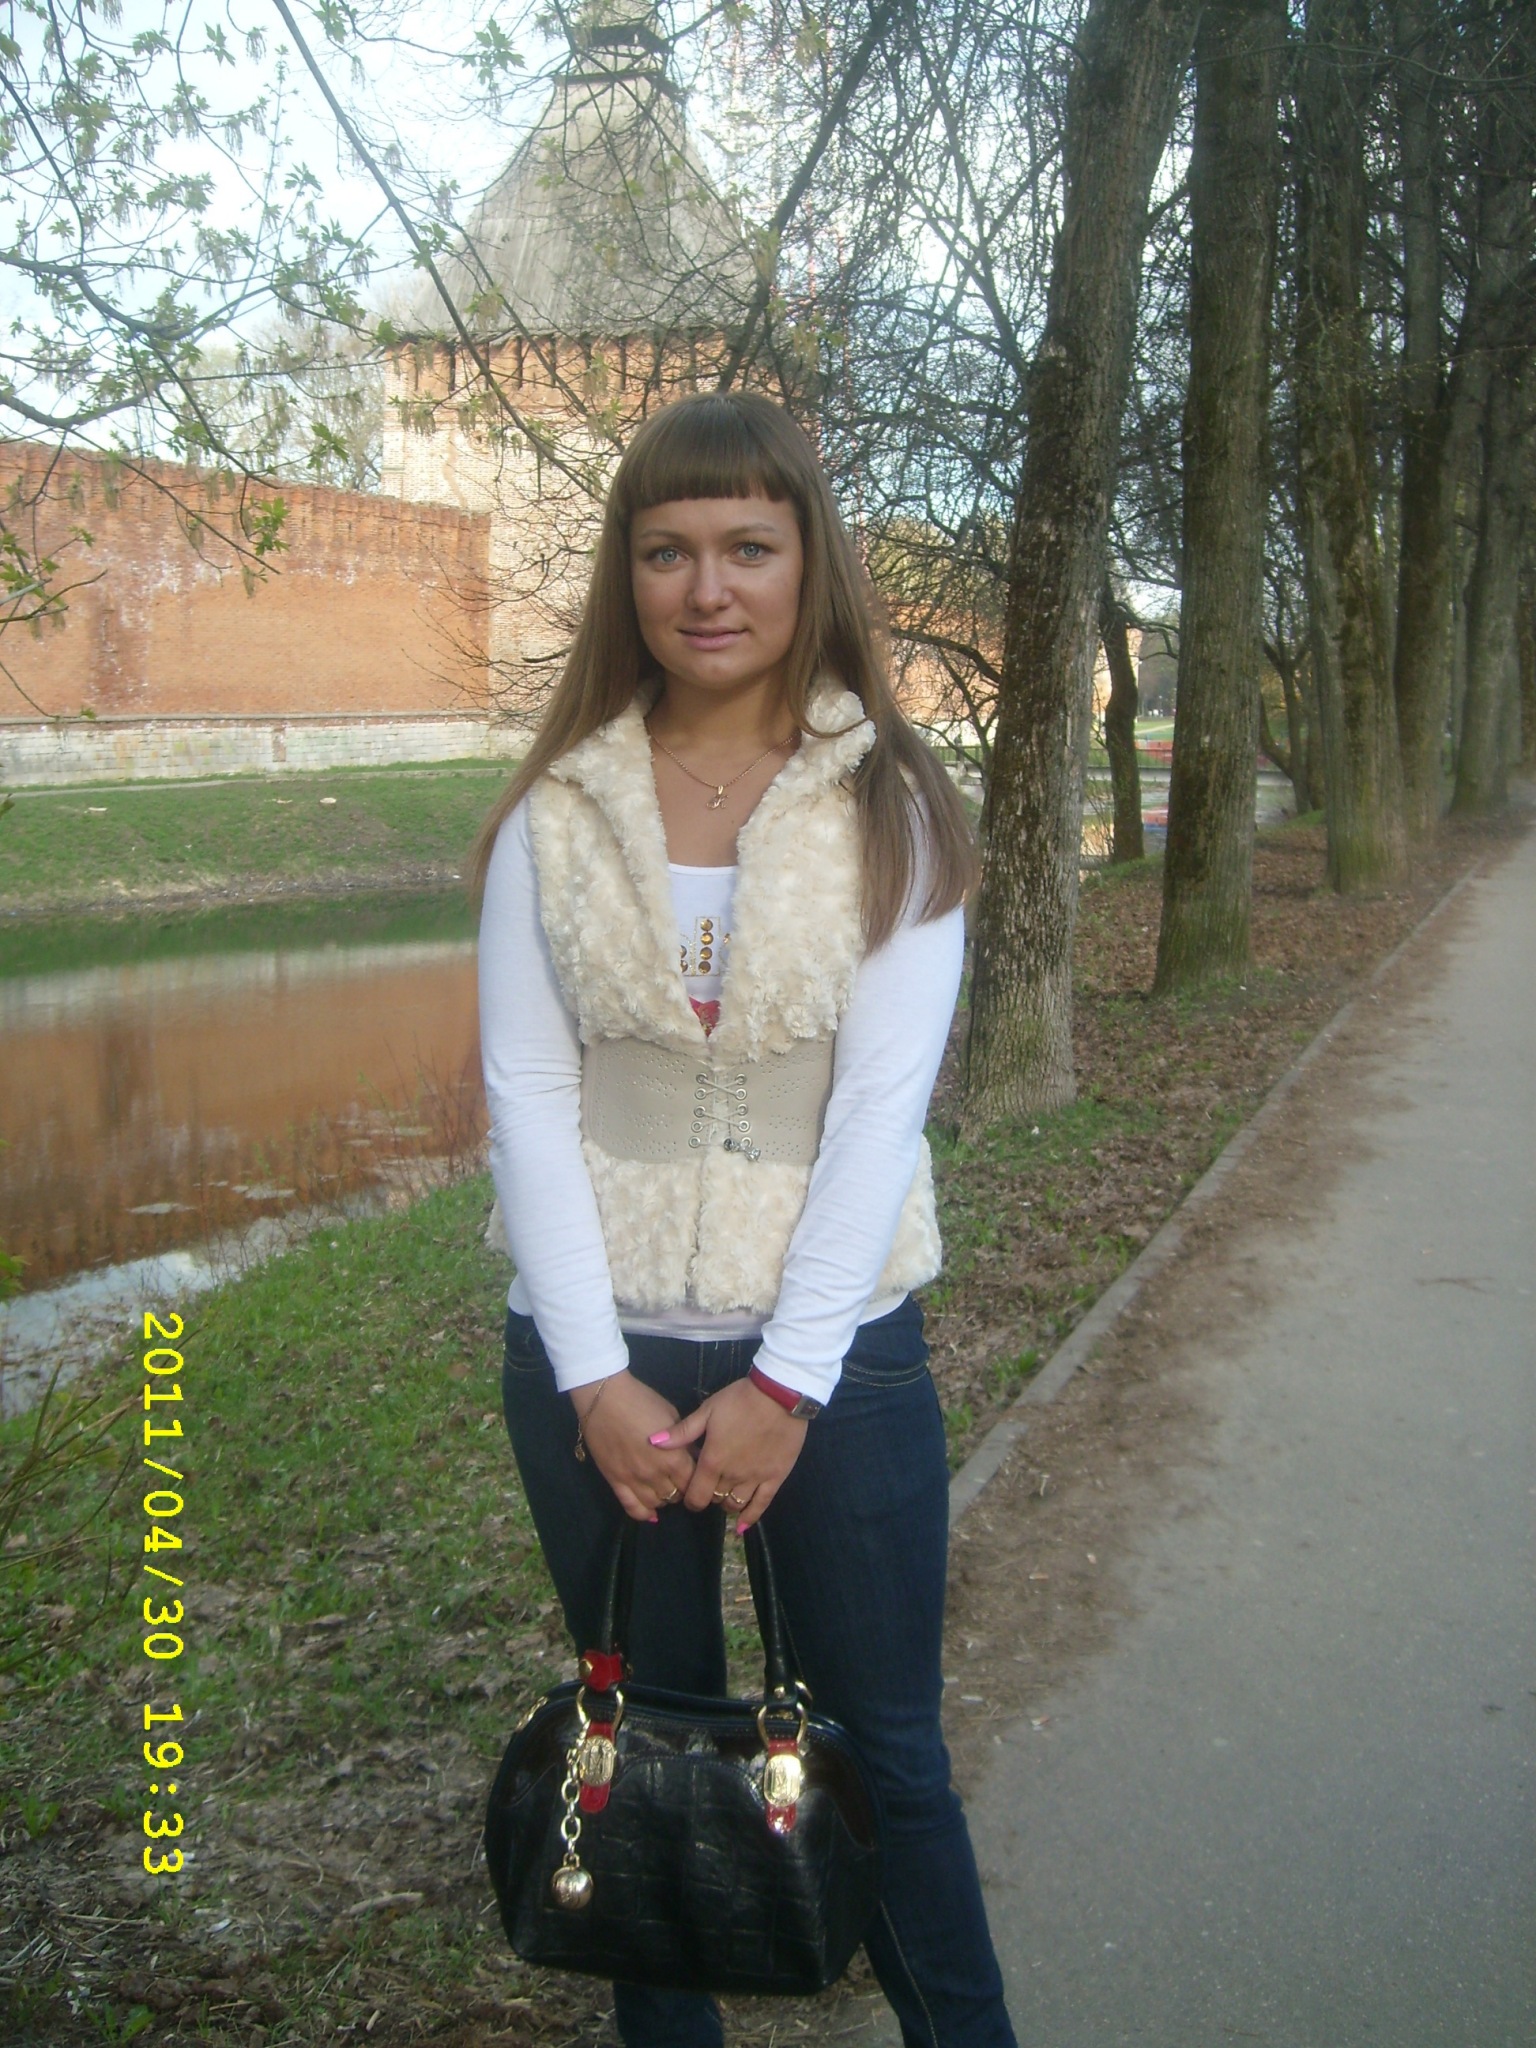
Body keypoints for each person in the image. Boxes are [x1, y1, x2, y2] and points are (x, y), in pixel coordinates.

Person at [471, 390, 1017, 2048]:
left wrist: (787, 1384)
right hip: (602, 1365)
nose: (707, 588)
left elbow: (878, 1115)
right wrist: (592, 1378)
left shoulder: (892, 801)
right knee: (637, 1751)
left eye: (747, 548)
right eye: (667, 552)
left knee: (891, 1757)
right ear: (627, 576)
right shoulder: (556, 815)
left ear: (807, 563)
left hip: (835, 1362)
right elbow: (526, 1097)